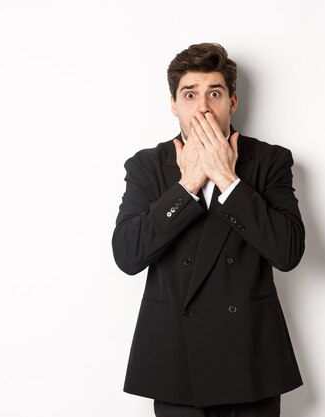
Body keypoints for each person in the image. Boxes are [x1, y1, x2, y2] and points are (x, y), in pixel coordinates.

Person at [112, 42, 305, 417]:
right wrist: (186, 187)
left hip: (250, 360)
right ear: (174, 104)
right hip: (175, 362)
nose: (202, 106)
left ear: (232, 102)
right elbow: (128, 255)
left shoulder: (269, 161)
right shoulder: (147, 167)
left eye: (214, 93)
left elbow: (288, 252)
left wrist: (229, 182)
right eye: (190, 94)